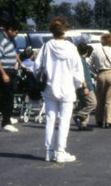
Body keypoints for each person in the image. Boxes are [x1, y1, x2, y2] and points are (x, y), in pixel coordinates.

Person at [34, 17, 85, 163]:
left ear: (52, 31)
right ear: (66, 31)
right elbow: (78, 71)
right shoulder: (71, 48)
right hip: (67, 87)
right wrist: (76, 85)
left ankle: (49, 151)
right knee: (64, 120)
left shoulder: (45, 47)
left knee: (50, 119)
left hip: (50, 87)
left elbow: (36, 68)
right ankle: (61, 151)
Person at [72, 42, 97, 131]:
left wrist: (93, 75)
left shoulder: (81, 59)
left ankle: (83, 124)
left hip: (80, 86)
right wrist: (85, 87)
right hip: (85, 86)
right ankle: (79, 116)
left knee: (84, 104)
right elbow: (81, 75)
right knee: (92, 103)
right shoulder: (81, 61)